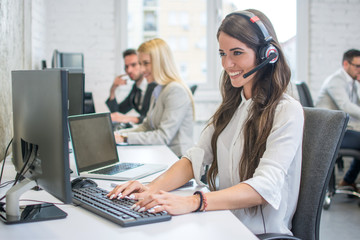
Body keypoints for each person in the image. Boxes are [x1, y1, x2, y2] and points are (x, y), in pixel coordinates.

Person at [108, 9, 304, 236]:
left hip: (256, 231)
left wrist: (194, 202)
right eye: (222, 53)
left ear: (267, 54)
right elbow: (195, 158)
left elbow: (264, 187)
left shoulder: (286, 111)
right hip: (223, 218)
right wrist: (152, 188)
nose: (227, 64)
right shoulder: (232, 107)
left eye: (237, 53)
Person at [115, 38, 195, 157]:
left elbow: (163, 137)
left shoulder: (175, 90)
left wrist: (124, 138)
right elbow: (146, 126)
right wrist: (117, 134)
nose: (142, 69)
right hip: (163, 155)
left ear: (160, 62)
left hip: (178, 159)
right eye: (140, 64)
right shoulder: (158, 89)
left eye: (146, 63)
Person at [316, 49, 360, 191]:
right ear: (346, 64)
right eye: (357, 66)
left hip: (342, 129)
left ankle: (347, 181)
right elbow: (346, 106)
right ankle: (348, 180)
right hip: (331, 134)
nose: (359, 70)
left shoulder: (352, 82)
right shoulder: (336, 80)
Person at [106, 49, 157, 124]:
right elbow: (118, 112)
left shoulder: (154, 87)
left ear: (141, 64)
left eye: (133, 65)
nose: (129, 70)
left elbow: (155, 120)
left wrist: (131, 119)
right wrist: (112, 89)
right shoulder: (136, 88)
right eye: (126, 66)